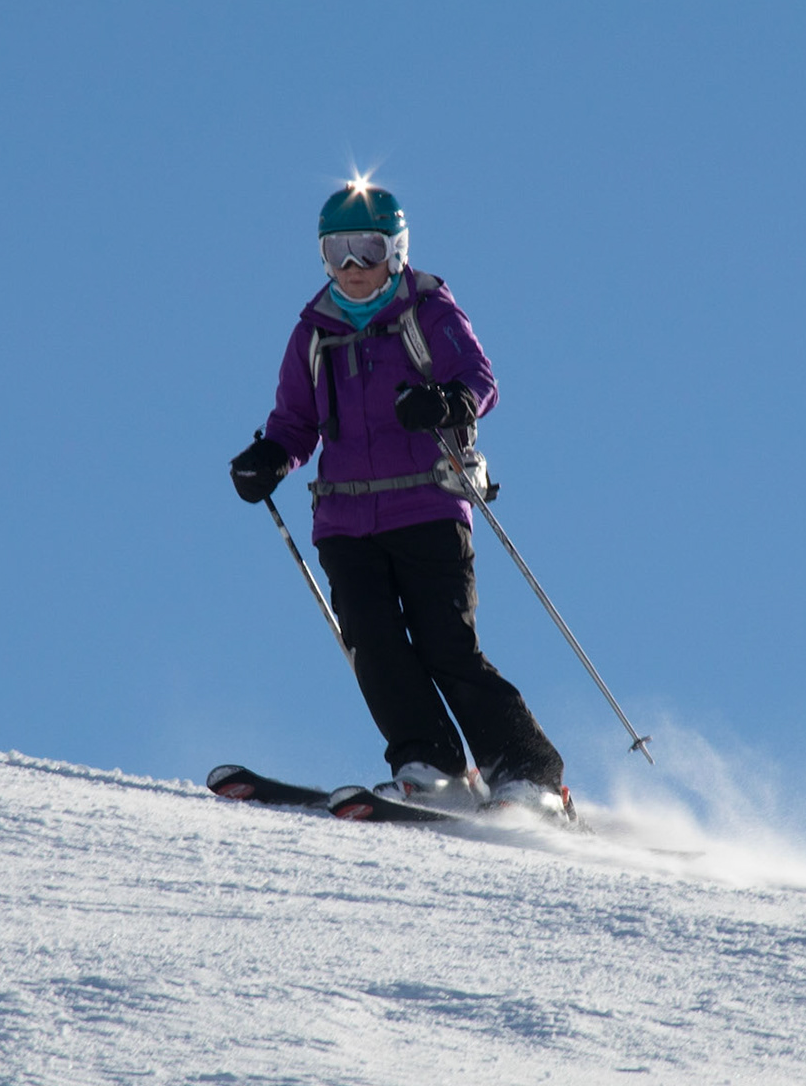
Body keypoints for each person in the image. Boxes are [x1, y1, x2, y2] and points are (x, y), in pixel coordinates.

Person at [229, 182, 564, 808]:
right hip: (345, 521)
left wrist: (444, 403)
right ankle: (428, 763)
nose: (354, 268)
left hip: (428, 505)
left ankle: (527, 771)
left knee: (446, 643)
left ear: (397, 250)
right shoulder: (313, 332)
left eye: (368, 249)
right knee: (374, 646)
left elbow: (478, 380)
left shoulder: (427, 310)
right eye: (338, 252)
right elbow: (294, 422)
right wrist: (270, 458)